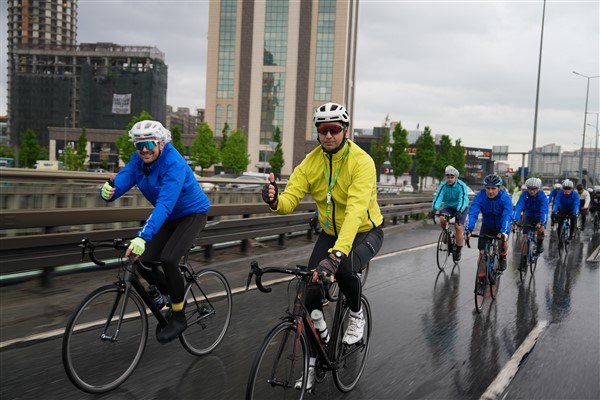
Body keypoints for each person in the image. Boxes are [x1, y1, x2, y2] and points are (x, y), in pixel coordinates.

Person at [262, 102, 384, 390]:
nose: (328, 135)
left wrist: (337, 255)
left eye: (334, 129)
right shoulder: (311, 162)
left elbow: (355, 211)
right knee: (310, 288)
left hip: (365, 231)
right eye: (322, 130)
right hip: (330, 233)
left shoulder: (362, 162)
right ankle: (320, 336)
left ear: (345, 130)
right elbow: (291, 199)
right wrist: (274, 201)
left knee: (343, 270)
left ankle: (356, 316)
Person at [100, 120, 211, 343]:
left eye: (148, 144)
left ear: (161, 143)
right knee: (143, 261)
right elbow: (124, 178)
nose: (143, 150)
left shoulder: (174, 164)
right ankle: (173, 293)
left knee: (169, 259)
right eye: (138, 145)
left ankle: (179, 317)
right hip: (169, 217)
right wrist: (110, 191)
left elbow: (165, 204)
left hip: (191, 214)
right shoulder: (138, 160)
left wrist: (142, 236)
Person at [464, 174, 513, 276]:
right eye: (488, 188)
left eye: (493, 188)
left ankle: (503, 256)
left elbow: (507, 216)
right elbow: (473, 213)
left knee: (502, 241)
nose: (490, 191)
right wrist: (468, 229)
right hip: (487, 225)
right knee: (482, 253)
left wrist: (504, 232)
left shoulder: (505, 198)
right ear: (484, 188)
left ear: (499, 188)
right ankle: (481, 278)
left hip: (501, 225)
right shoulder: (480, 197)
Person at [431, 165, 470, 261]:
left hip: (460, 208)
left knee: (458, 227)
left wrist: (459, 211)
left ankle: (458, 250)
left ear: (456, 177)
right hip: (448, 207)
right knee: (442, 218)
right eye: (448, 177)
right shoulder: (443, 186)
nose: (450, 179)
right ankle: (446, 232)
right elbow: (439, 197)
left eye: (452, 177)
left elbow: (463, 199)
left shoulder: (461, 186)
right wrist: (434, 209)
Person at [512, 178, 548, 263]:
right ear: (527, 188)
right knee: (525, 238)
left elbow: (544, 210)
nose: (532, 191)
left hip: (539, 217)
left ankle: (539, 243)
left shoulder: (542, 196)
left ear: (537, 189)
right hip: (528, 216)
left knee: (541, 230)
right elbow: (519, 207)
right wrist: (514, 220)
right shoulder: (524, 195)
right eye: (530, 189)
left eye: (534, 189)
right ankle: (524, 259)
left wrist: (542, 222)